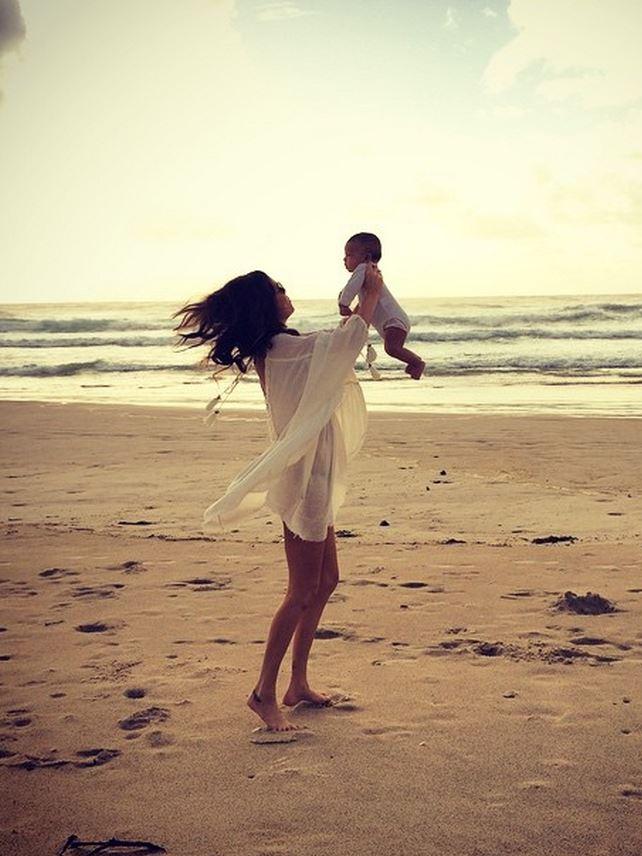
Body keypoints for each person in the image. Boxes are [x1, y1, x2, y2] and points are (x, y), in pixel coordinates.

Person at [174, 264, 383, 732]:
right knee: (301, 590)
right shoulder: (280, 348)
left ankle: (298, 684)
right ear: (264, 304)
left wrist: (353, 313)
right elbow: (345, 344)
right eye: (279, 290)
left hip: (318, 476)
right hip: (303, 480)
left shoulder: (284, 346)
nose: (287, 294)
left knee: (327, 579)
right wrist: (372, 293)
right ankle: (262, 693)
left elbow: (334, 348)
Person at [338, 232, 425, 380]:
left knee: (392, 348)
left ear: (366, 257)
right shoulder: (371, 272)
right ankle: (414, 363)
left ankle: (417, 363)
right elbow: (364, 301)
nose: (344, 259)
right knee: (393, 348)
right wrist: (354, 315)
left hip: (394, 320)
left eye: (349, 255)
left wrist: (343, 303)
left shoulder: (363, 269)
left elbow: (350, 288)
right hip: (395, 320)